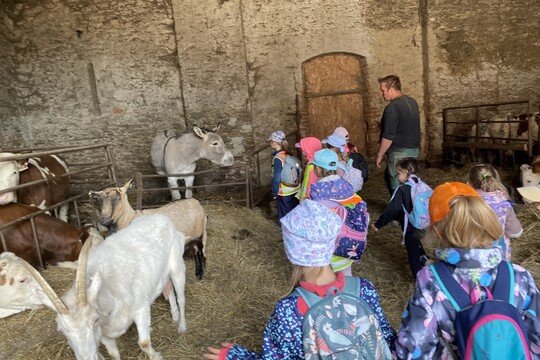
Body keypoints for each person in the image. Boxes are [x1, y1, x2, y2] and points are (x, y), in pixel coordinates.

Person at [203, 199, 397, 359]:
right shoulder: (365, 289)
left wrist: (236, 356)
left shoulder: (289, 310)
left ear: (292, 250)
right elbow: (386, 339)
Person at [395, 182, 540, 360]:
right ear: (486, 221)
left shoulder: (431, 280)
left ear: (438, 232)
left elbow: (412, 349)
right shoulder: (519, 275)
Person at [310, 150, 368, 276]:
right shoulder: (346, 185)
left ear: (318, 169)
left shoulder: (317, 190)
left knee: (328, 280)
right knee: (346, 276)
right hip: (348, 241)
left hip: (329, 247)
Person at [371, 158, 429, 278]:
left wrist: (378, 224)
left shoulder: (402, 189)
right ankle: (425, 263)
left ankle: (419, 277)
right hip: (425, 223)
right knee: (419, 246)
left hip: (411, 226)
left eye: (398, 173)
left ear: (406, 172)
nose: (397, 177)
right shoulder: (422, 185)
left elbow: (392, 209)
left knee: (412, 251)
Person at [375, 75, 420, 196]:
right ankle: (411, 207)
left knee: (396, 181)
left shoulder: (392, 107)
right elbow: (405, 125)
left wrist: (379, 155)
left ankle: (399, 210)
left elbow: (388, 136)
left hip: (399, 151)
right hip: (414, 150)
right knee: (409, 179)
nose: (382, 94)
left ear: (391, 88)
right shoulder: (412, 103)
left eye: (383, 90)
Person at [467, 163, 523, 260]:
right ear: (495, 181)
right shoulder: (504, 203)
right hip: (500, 257)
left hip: (472, 258)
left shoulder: (464, 204)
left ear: (469, 184)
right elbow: (515, 232)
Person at [268, 131, 300, 220]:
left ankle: (286, 232)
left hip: (284, 191)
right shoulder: (288, 154)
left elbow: (277, 177)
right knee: (294, 212)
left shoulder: (278, 157)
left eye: (271, 141)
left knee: (285, 217)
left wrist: (274, 192)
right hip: (295, 188)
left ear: (274, 142)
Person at [295, 137, 322, 202]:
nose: (301, 151)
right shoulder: (316, 163)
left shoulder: (312, 165)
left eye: (302, 149)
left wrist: (307, 198)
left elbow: (311, 184)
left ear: (308, 149)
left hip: (309, 199)